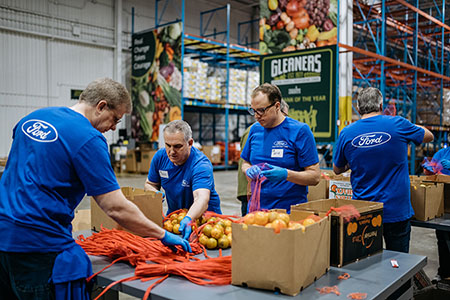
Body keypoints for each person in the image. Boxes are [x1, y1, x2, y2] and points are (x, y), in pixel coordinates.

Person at [0, 78, 191, 300]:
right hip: (38, 247)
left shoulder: (33, 119)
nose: (113, 128)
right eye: (115, 119)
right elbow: (115, 207)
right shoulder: (89, 139)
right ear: (101, 106)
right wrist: (163, 234)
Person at [333, 86, 434, 253]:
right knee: (399, 266)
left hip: (364, 210)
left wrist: (356, 159)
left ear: (358, 108)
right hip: (396, 210)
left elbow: (337, 169)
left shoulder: (347, 133)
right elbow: (429, 135)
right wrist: (406, 126)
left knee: (366, 264)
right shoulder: (398, 124)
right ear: (381, 106)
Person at [240, 83, 320, 212]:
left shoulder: (299, 131)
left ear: (277, 106)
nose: (256, 116)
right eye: (253, 111)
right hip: (256, 212)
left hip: (288, 213)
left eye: (261, 110)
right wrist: (248, 170)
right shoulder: (255, 130)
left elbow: (315, 177)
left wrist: (286, 174)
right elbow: (245, 162)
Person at [145, 120, 222, 240]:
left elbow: (201, 198)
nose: (171, 151)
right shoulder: (160, 158)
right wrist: (154, 192)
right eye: (167, 145)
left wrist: (189, 218)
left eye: (177, 146)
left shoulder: (200, 164)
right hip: (176, 220)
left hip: (205, 222)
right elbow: (150, 184)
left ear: (190, 143)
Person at [236, 99, 289, 216]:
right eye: (284, 115)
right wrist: (250, 180)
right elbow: (246, 160)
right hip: (250, 190)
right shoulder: (254, 131)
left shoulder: (292, 131)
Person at [422, 148, 450, 283]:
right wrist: (428, 168)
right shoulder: (441, 153)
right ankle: (443, 273)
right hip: (442, 203)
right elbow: (429, 174)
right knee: (443, 240)